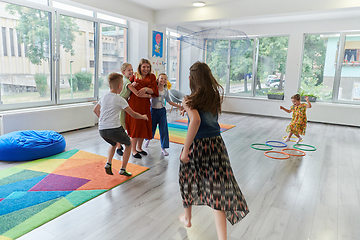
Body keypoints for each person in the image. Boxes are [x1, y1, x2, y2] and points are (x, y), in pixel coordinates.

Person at [178, 61, 249, 240]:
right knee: (218, 191)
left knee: (187, 179)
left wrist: (185, 149)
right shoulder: (214, 96)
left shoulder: (189, 99)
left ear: (191, 79)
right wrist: (186, 108)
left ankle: (187, 218)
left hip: (198, 146)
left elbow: (196, 121)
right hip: (216, 145)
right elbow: (204, 114)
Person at [93, 72, 148, 176]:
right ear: (120, 86)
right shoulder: (120, 99)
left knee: (113, 143)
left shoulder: (104, 96)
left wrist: (103, 120)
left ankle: (108, 163)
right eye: (122, 84)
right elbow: (134, 114)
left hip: (102, 130)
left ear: (109, 85)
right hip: (114, 129)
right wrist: (143, 117)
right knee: (128, 144)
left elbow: (95, 110)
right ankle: (123, 169)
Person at [125, 59, 159, 159]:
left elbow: (154, 90)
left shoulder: (152, 76)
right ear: (140, 67)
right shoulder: (134, 76)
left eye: (147, 67)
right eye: (144, 67)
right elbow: (127, 87)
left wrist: (145, 89)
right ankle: (133, 150)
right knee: (136, 126)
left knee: (143, 125)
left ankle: (139, 148)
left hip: (145, 104)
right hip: (134, 103)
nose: (146, 69)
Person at [143, 73, 184, 156]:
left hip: (162, 112)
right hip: (153, 111)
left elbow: (170, 101)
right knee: (151, 127)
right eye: (161, 78)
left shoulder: (165, 91)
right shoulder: (154, 89)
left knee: (163, 130)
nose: (163, 80)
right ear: (158, 79)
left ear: (166, 81)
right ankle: (148, 139)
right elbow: (148, 97)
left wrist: (179, 106)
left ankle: (163, 148)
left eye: (165, 79)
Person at [116, 63, 151, 156]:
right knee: (121, 126)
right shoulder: (127, 82)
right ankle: (118, 147)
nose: (131, 72)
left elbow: (130, 86)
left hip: (123, 104)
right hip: (120, 105)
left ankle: (121, 146)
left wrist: (133, 84)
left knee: (122, 125)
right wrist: (148, 95)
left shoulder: (127, 80)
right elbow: (137, 93)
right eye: (129, 70)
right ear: (123, 72)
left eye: (132, 69)